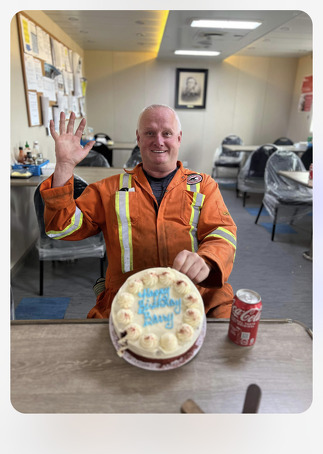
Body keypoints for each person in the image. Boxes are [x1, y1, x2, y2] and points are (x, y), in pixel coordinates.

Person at [40, 104, 237, 318]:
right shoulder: (109, 189)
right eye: (150, 133)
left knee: (225, 338)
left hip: (195, 294)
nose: (159, 140)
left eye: (167, 133)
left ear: (179, 138)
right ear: (139, 138)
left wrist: (207, 260)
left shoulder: (203, 186)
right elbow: (61, 228)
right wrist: (64, 166)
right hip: (129, 300)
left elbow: (222, 232)